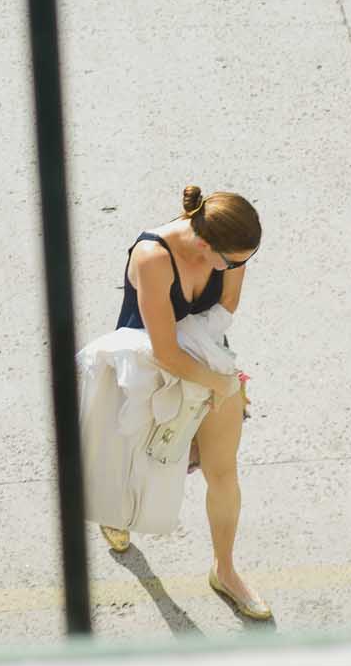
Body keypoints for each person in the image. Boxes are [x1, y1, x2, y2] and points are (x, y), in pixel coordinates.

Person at [98, 185, 265, 619]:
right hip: (147, 371)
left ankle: (225, 570)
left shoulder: (231, 249)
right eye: (233, 261)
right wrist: (218, 383)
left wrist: (220, 382)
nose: (238, 268)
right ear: (206, 244)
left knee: (223, 470)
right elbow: (165, 351)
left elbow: (226, 306)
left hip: (209, 360)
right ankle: (115, 513)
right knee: (136, 462)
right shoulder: (153, 257)